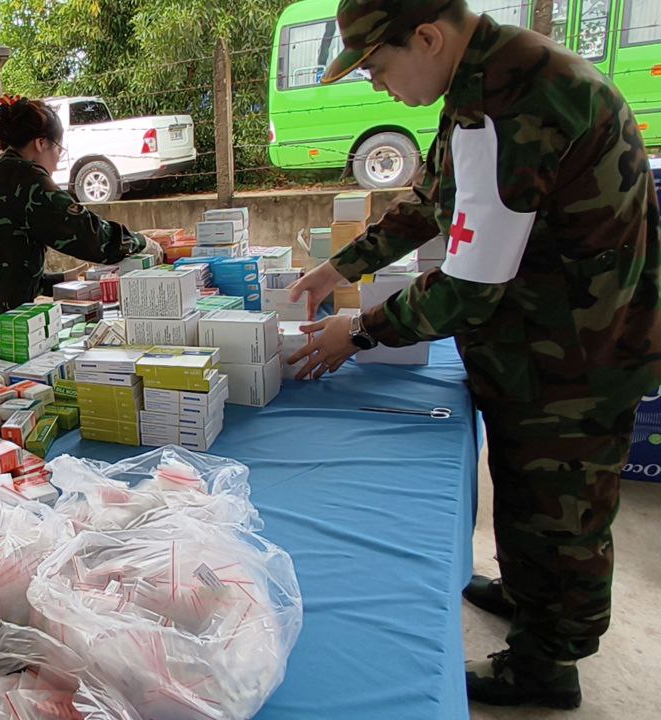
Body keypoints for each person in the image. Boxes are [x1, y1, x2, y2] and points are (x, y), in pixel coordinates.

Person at [285, 0, 660, 709]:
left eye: (377, 67)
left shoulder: (509, 104)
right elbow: (434, 202)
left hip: (575, 354)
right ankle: (529, 593)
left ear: (427, 38)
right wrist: (340, 268)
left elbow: (470, 286)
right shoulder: (488, 80)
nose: (377, 85)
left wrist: (359, 332)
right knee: (526, 488)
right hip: (549, 341)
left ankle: (547, 665)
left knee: (563, 511)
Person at [0, 95, 163, 351]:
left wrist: (66, 279)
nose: (58, 161)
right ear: (40, 143)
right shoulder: (26, 180)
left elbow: (4, 269)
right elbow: (92, 238)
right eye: (58, 149)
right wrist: (142, 243)